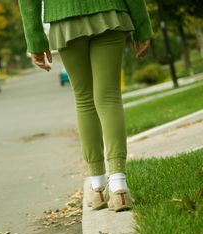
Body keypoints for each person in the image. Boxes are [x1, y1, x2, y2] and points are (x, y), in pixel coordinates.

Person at [18, 0, 153, 212]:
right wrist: (143, 26)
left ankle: (98, 186)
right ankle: (119, 187)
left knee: (84, 100)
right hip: (109, 13)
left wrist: (35, 39)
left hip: (65, 19)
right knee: (109, 97)